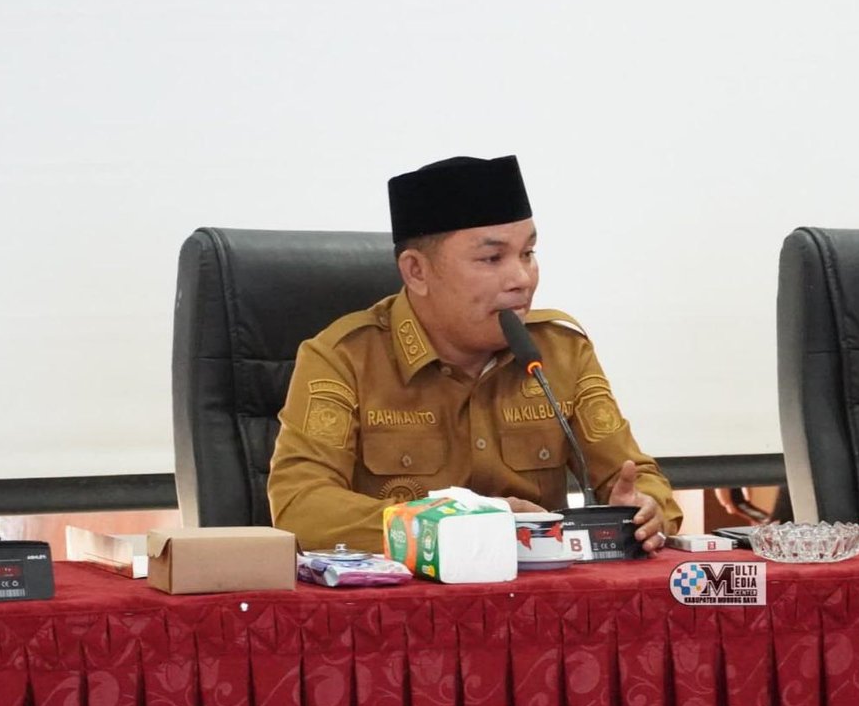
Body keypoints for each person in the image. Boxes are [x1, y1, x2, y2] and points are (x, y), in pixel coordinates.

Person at [268, 155, 682, 552]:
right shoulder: (343, 359)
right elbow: (301, 509)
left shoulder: (559, 351)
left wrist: (645, 509)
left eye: (528, 253)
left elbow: (635, 476)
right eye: (491, 258)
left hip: (538, 601)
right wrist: (459, 525)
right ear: (417, 271)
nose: (522, 279)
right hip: (401, 606)